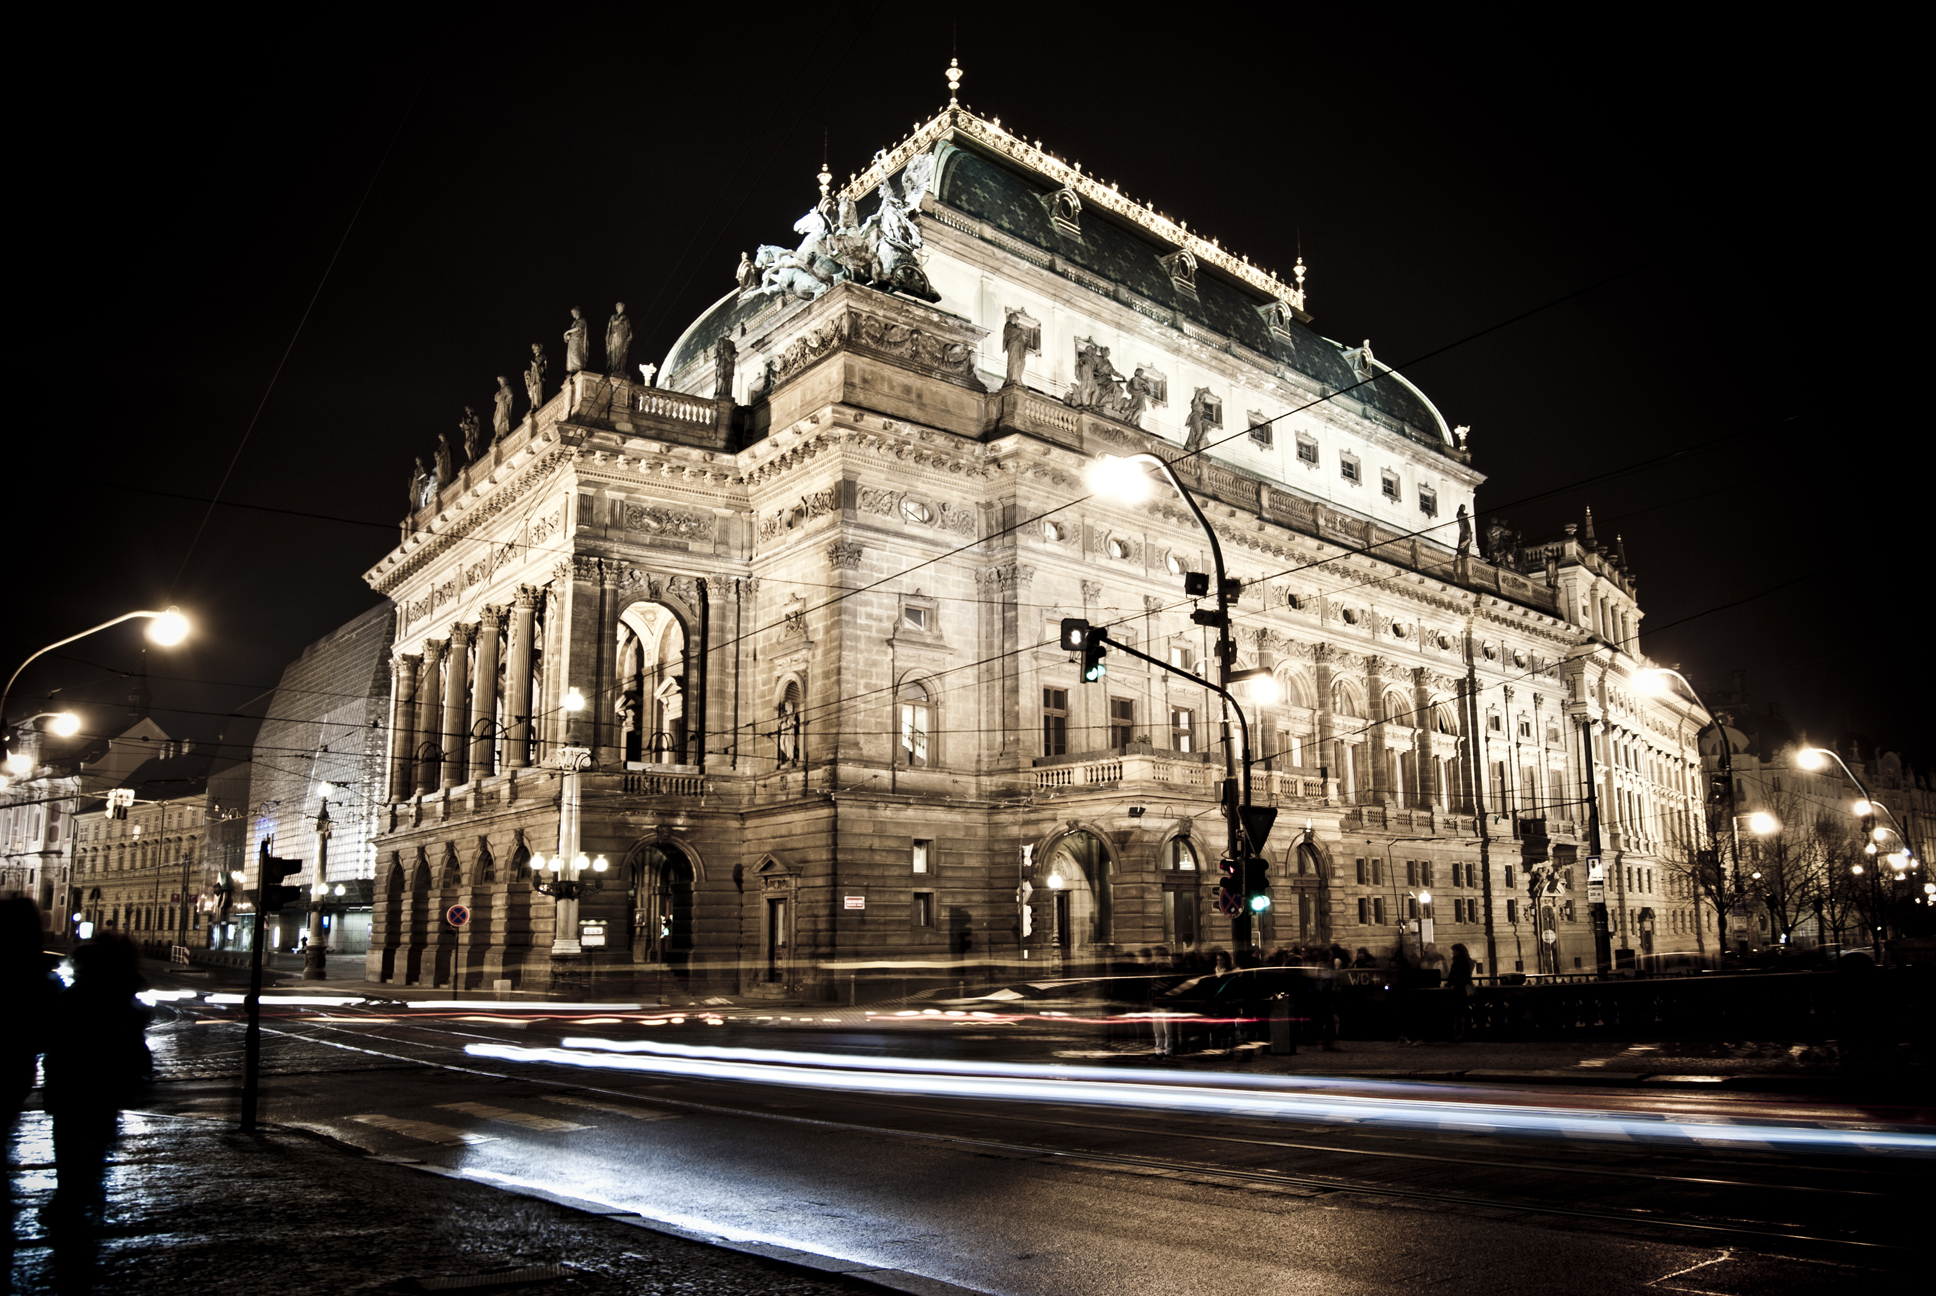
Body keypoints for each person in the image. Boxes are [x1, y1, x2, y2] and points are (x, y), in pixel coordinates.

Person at [42, 936, 151, 1234]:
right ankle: (85, 1204)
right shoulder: (122, 994)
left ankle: (71, 1205)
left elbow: (52, 1033)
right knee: (93, 1151)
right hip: (106, 1087)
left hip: (73, 1085)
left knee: (70, 1148)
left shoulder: (80, 995)